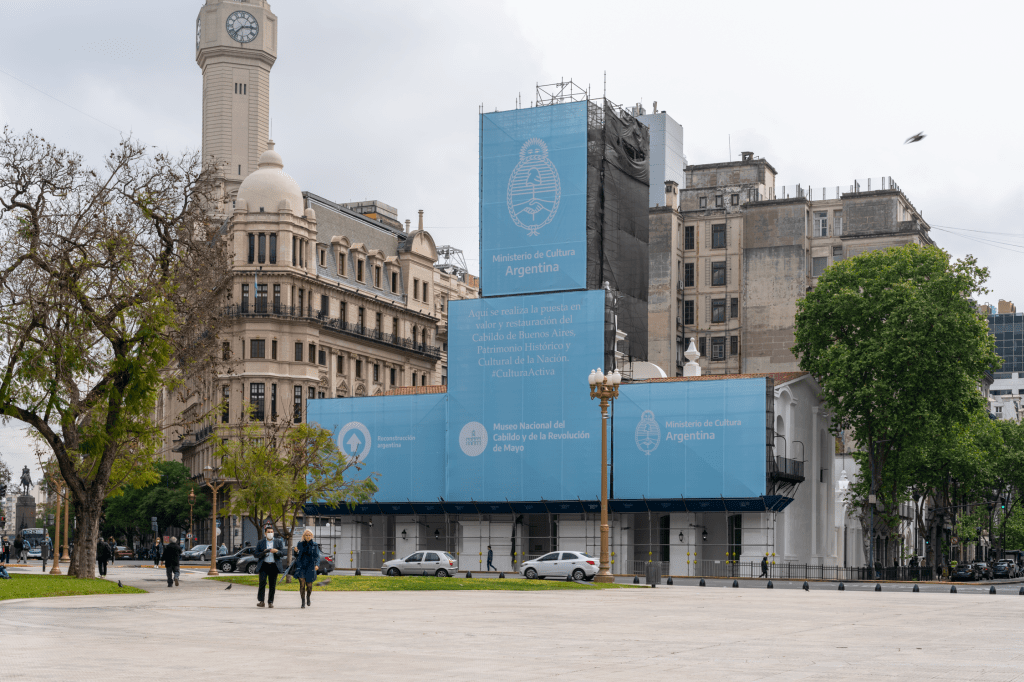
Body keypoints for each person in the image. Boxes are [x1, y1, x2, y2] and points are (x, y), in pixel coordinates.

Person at [254, 525, 285, 608]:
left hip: (274, 565)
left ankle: (270, 602)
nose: (270, 533)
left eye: (271, 532)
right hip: (264, 565)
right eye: (268, 532)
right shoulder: (260, 542)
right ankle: (261, 601)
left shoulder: (278, 542)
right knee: (262, 582)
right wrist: (263, 552)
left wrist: (277, 551)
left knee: (272, 584)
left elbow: (282, 553)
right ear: (265, 533)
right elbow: (256, 554)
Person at [291, 528, 321, 609]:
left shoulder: (315, 545)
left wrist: (317, 565)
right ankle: (303, 601)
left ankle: (308, 597)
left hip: (310, 567)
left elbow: (317, 556)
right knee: (302, 585)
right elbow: (296, 556)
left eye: (309, 535)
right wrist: (295, 551)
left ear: (312, 536)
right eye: (306, 535)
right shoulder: (300, 544)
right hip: (301, 566)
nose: (308, 537)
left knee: (309, 586)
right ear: (304, 536)